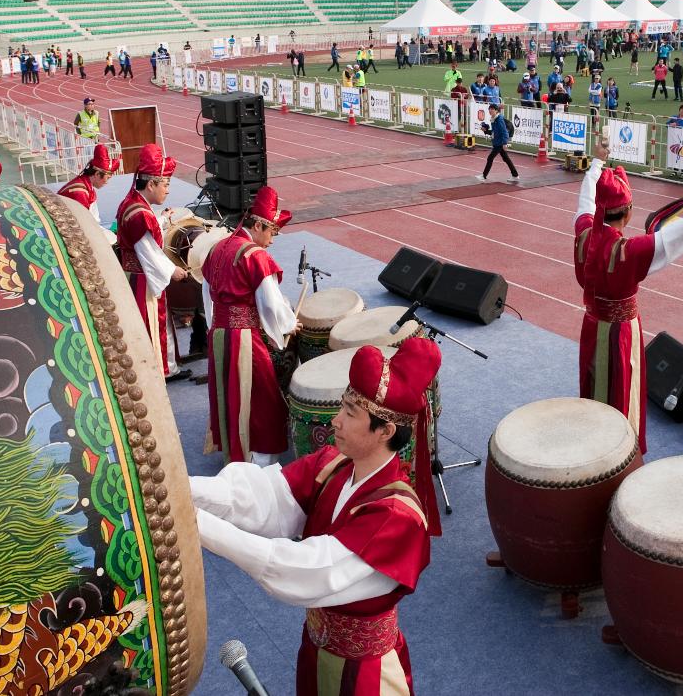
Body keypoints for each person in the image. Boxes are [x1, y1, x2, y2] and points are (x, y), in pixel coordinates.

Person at [190, 338, 441, 696]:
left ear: (385, 431)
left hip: (366, 672)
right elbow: (262, 495)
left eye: (351, 413)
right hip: (316, 646)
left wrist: (196, 523)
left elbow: (308, 568)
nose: (336, 420)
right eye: (342, 406)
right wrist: (182, 488)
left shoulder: (398, 516)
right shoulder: (333, 465)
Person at [572, 141, 683, 453]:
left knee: (594, 381)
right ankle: (620, 454)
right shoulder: (629, 251)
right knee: (624, 388)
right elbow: (679, 233)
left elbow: (585, 199)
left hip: (591, 326)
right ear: (629, 211)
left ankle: (592, 444)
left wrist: (596, 163)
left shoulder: (583, 232)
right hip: (621, 333)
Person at [201, 186, 298, 465]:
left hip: (219, 334)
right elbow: (269, 303)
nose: (272, 240)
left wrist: (215, 327)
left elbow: (206, 293)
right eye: (272, 232)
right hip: (244, 338)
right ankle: (258, 462)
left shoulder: (217, 248)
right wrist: (288, 324)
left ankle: (235, 454)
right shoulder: (255, 256)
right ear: (257, 225)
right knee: (263, 398)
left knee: (229, 393)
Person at [116, 144, 189, 382]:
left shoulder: (133, 202)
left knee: (158, 323)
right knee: (152, 323)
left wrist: (161, 221)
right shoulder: (139, 214)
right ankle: (158, 371)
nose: (168, 190)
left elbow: (144, 234)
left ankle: (167, 366)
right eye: (165, 184)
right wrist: (173, 270)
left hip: (136, 275)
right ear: (151, 184)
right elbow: (148, 252)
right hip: (142, 280)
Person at [57, 145, 121, 222]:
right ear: (97, 174)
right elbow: (84, 224)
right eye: (107, 178)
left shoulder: (86, 186)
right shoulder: (80, 193)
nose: (107, 182)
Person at [478, 103, 518, 183]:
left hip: (499, 143)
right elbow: (494, 132)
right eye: (489, 109)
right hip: (498, 141)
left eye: (492, 109)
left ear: (496, 111)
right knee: (506, 158)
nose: (490, 111)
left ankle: (484, 175)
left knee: (490, 158)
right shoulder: (494, 119)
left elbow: (504, 132)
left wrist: (504, 143)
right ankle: (515, 175)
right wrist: (486, 131)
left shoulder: (499, 120)